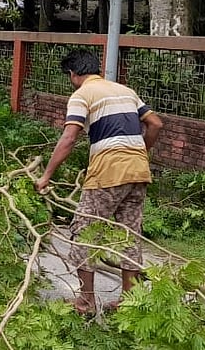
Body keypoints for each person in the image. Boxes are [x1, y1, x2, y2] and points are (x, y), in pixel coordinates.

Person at [34, 49, 164, 315]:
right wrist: (141, 152)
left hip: (107, 173)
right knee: (130, 234)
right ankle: (130, 301)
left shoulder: (82, 95)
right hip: (138, 171)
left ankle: (86, 302)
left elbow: (69, 138)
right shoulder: (126, 91)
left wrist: (46, 176)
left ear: (73, 74)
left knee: (84, 233)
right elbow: (155, 124)